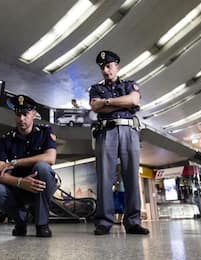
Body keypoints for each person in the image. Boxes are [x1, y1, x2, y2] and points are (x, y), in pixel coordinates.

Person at [89, 50, 149, 235]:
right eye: (102, 68)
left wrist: (107, 102)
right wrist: (121, 103)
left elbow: (133, 99)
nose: (106, 71)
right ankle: (104, 222)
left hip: (129, 131)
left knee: (131, 175)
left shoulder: (130, 84)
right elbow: (95, 106)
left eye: (108, 66)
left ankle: (132, 222)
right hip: (106, 131)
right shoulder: (95, 88)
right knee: (104, 178)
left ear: (117, 66)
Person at [0, 94, 58, 237]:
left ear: (33, 114)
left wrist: (15, 162)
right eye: (18, 114)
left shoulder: (45, 132)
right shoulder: (6, 139)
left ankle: (42, 224)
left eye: (25, 114)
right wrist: (20, 182)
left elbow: (50, 158)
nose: (21, 119)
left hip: (43, 185)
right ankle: (21, 221)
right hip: (18, 189)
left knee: (43, 167)